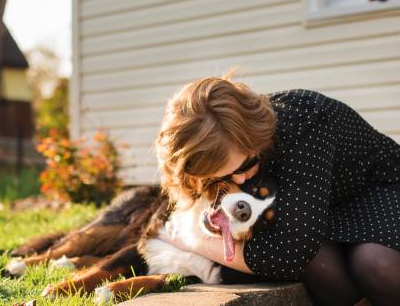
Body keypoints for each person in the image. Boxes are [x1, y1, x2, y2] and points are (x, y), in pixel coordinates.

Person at [155, 75, 400, 306]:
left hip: (377, 189)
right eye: (224, 176)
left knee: (376, 264)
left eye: (247, 165)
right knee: (318, 264)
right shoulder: (217, 156)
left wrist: (193, 242)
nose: (240, 179)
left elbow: (287, 256)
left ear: (256, 136)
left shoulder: (306, 121)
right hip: (318, 210)